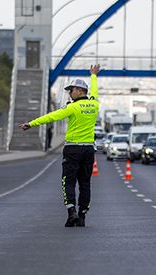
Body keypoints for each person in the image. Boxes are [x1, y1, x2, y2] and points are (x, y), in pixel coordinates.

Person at [21, 64, 101, 227]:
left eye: (71, 90)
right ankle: (83, 215)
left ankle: (71, 212)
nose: (70, 93)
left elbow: (52, 117)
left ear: (79, 91)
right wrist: (93, 75)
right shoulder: (95, 105)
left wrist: (31, 123)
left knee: (68, 181)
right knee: (85, 183)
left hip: (73, 149)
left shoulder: (72, 107)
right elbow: (95, 91)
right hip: (88, 150)